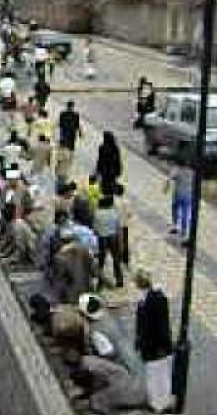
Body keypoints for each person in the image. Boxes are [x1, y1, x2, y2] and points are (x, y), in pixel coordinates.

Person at [134, 269, 173, 413]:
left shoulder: (154, 300)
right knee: (159, 375)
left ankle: (159, 403)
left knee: (157, 375)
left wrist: (162, 345)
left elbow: (161, 325)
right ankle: (160, 401)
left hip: (155, 347)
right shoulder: (148, 299)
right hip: (154, 346)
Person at [69, 354, 147, 415]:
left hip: (140, 394)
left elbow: (98, 406)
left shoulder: (103, 395)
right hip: (140, 384)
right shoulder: (115, 373)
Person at [94, 196, 123, 288]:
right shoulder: (114, 213)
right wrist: (121, 239)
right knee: (116, 259)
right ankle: (119, 279)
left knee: (101, 261)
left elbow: (95, 227)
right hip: (113, 237)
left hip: (102, 238)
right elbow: (118, 227)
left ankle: (100, 282)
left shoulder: (97, 213)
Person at [165, 158, 194, 244]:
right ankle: (184, 232)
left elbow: (169, 178)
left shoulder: (177, 170)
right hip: (188, 195)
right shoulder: (192, 172)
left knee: (175, 208)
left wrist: (166, 188)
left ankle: (175, 225)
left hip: (178, 194)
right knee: (185, 213)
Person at [95, 131, 122, 195]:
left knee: (106, 184)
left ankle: (105, 194)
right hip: (111, 171)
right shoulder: (115, 148)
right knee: (109, 184)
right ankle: (108, 195)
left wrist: (98, 169)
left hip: (106, 171)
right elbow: (117, 160)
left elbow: (100, 160)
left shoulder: (102, 147)